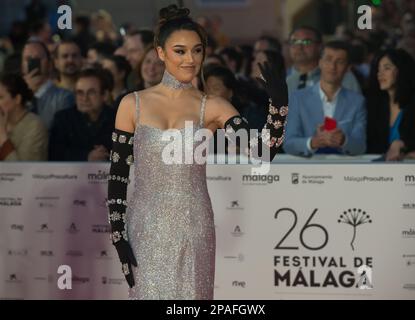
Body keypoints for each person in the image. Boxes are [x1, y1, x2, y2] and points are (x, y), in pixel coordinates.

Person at [107, 4, 288, 300]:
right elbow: (118, 174)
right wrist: (118, 234)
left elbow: (262, 153)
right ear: (160, 52)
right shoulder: (132, 104)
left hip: (195, 225)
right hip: (145, 226)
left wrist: (278, 109)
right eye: (180, 51)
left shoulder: (213, 106)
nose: (190, 59)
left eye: (197, 50)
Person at [283, 41, 367, 156]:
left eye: (340, 62)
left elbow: (360, 146)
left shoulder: (357, 101)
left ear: (348, 68)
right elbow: (288, 143)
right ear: (320, 63)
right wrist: (312, 142)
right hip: (308, 170)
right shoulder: (298, 98)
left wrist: (344, 140)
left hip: (343, 169)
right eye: (328, 59)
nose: (333, 66)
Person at [366, 49, 415, 160]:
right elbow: (372, 148)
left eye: (387, 68)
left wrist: (405, 150)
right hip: (379, 173)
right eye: (378, 69)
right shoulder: (374, 104)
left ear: (402, 70)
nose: (380, 74)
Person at [49, 68, 115, 161]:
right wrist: (86, 156)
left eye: (91, 92)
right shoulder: (62, 119)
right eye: (80, 93)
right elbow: (54, 154)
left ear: (104, 95)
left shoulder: (118, 119)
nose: (84, 98)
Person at [286, 26, 361, 94]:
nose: (299, 47)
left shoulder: (342, 76)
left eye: (306, 42)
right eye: (294, 42)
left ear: (320, 46)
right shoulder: (282, 80)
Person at [21, 39, 75, 131]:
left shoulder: (64, 97)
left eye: (38, 59)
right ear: (22, 66)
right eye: (28, 59)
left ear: (50, 64)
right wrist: (25, 93)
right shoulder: (15, 97)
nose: (34, 63)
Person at [0, 73, 48, 161]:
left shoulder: (35, 126)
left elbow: (21, 171)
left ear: (17, 99)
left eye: (0, 97)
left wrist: (2, 135)